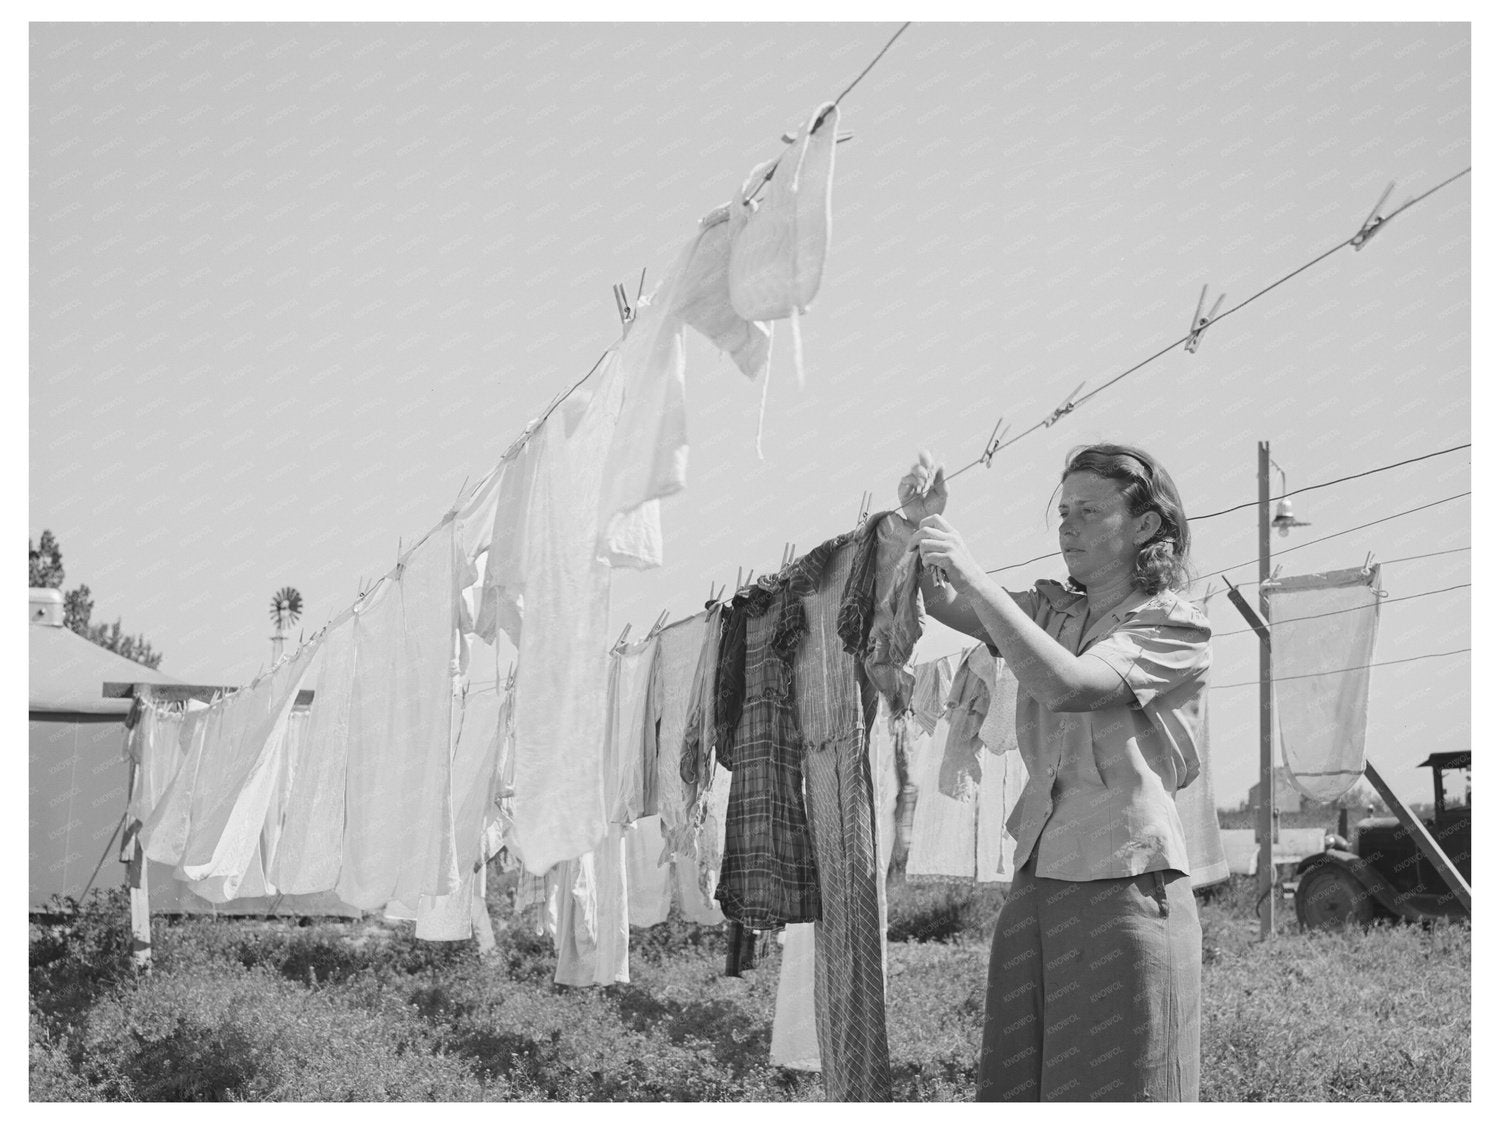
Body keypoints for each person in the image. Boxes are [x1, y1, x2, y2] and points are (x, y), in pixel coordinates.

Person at [898, 443, 1210, 1102]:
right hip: (1039, 877)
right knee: (1022, 1080)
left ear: (1146, 526)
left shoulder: (1173, 623)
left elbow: (1072, 685)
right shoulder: (1051, 610)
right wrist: (924, 526)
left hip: (1123, 880)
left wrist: (973, 574)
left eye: (1090, 512)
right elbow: (945, 601)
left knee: (1121, 1086)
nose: (1068, 526)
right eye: (1064, 511)